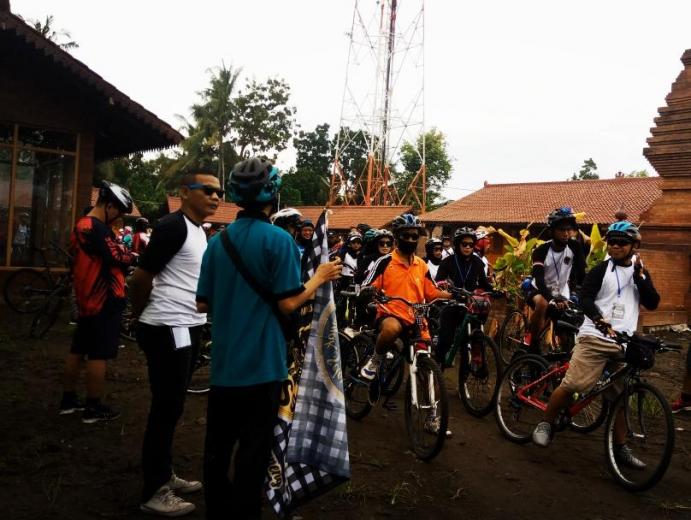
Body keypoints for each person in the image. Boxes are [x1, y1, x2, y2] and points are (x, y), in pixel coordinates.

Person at [195, 157, 341, 520]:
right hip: (264, 366)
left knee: (217, 449)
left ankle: (217, 511)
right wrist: (320, 277)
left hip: (224, 365)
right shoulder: (279, 240)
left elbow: (202, 303)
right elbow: (288, 302)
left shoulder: (217, 242)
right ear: (273, 196)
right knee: (253, 451)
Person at [127, 169, 221, 516]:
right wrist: (140, 316)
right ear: (184, 192)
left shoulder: (198, 230)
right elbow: (140, 279)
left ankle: (164, 473)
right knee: (166, 409)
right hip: (168, 326)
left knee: (174, 405)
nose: (215, 197)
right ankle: (154, 491)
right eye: (207, 190)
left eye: (219, 191)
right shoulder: (172, 226)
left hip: (188, 325)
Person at [532, 222, 660, 471]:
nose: (615, 246)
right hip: (595, 337)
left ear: (634, 245)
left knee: (620, 397)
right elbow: (585, 298)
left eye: (621, 242)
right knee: (573, 385)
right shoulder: (601, 270)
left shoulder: (640, 272)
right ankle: (546, 423)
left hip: (623, 342)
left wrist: (641, 279)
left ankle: (620, 448)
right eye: (612, 242)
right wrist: (598, 319)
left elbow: (652, 302)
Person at [358, 213, 451, 432]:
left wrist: (451, 295)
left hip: (416, 319)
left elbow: (431, 291)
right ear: (397, 236)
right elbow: (366, 284)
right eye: (405, 235)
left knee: (429, 370)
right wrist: (369, 291)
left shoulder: (421, 265)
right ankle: (376, 360)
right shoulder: (385, 261)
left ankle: (432, 416)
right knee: (392, 328)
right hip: (390, 313)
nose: (410, 239)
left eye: (414, 236)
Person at [59, 181, 135, 422]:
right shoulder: (98, 229)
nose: (118, 218)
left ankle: (68, 400)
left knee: (78, 349)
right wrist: (129, 255)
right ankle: (93, 407)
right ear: (110, 206)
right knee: (98, 353)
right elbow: (117, 257)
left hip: (85, 296)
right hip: (104, 297)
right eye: (118, 212)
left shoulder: (81, 225)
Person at [524, 208, 586, 347]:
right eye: (561, 230)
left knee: (568, 325)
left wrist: (577, 292)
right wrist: (551, 298)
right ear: (552, 231)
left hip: (562, 293)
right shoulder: (541, 250)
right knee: (542, 303)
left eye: (569, 230)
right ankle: (532, 344)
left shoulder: (575, 247)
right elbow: (539, 280)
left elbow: (581, 273)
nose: (566, 233)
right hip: (539, 290)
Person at [434, 227, 494, 368]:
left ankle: (476, 359)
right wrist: (445, 286)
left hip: (470, 304)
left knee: (477, 334)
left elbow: (484, 284)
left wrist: (495, 291)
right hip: (452, 302)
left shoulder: (478, 262)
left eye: (471, 245)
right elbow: (439, 281)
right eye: (464, 244)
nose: (468, 247)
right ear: (457, 244)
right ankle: (436, 366)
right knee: (446, 339)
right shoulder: (447, 262)